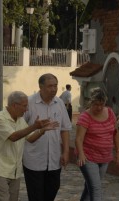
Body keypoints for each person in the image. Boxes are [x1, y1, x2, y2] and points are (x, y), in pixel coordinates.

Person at [0, 91, 59, 201]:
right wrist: (34, 126)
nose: (26, 110)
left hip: (15, 171)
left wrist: (42, 130)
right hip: (0, 169)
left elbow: (30, 138)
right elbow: (13, 137)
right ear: (15, 105)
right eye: (25, 106)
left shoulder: (20, 120)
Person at [23, 73, 72, 201]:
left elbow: (65, 129)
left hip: (54, 160)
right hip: (33, 160)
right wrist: (36, 128)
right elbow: (20, 129)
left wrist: (66, 152)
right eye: (50, 86)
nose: (54, 89)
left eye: (55, 86)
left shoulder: (59, 103)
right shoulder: (29, 102)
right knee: (36, 197)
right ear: (40, 86)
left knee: (52, 190)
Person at [75, 87, 119, 201]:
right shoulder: (85, 117)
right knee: (96, 188)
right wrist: (81, 154)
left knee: (90, 186)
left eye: (102, 104)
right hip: (88, 157)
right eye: (96, 104)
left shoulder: (110, 113)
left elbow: (115, 133)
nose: (99, 107)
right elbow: (78, 139)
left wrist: (118, 151)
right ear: (91, 102)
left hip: (104, 157)